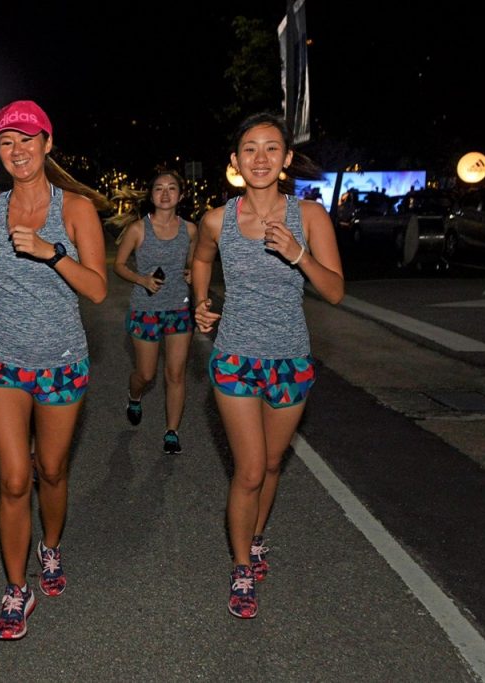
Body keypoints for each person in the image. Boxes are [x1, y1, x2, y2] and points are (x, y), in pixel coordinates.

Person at [0, 100, 108, 640]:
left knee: (51, 470)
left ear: (47, 143)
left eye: (26, 139)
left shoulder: (76, 210)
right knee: (14, 479)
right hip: (1, 359)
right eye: (6, 142)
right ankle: (16, 589)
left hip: (62, 362)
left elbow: (96, 288)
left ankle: (51, 548)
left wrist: (51, 252)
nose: (17, 151)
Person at [191, 112, 344, 619]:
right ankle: (240, 569)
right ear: (235, 162)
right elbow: (201, 258)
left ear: (286, 159)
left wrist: (299, 253)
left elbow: (335, 291)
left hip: (291, 360)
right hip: (235, 358)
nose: (260, 158)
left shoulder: (310, 217)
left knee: (274, 464)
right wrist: (201, 301)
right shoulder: (218, 219)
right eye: (249, 149)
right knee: (251, 469)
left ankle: (256, 537)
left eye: (271, 148)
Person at [111, 170, 197, 454]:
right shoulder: (138, 229)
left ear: (180, 196)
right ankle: (134, 396)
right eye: (159, 188)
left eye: (172, 188)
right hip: (146, 309)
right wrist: (142, 279)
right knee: (146, 374)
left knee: (175, 374)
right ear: (151, 195)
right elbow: (119, 265)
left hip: (179, 309)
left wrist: (192, 272)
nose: (165, 193)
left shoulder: (191, 230)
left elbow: (197, 263)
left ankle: (172, 432)